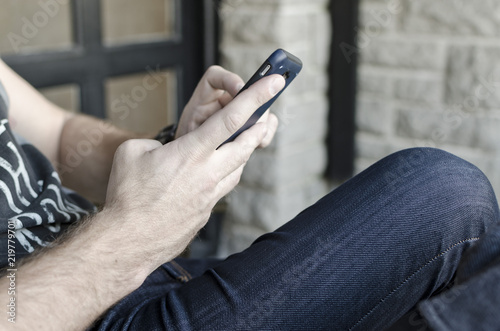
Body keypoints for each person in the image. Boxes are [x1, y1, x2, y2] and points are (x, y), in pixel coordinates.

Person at [0, 57, 498, 331]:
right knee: (443, 188)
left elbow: (61, 131)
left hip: (139, 273)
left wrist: (171, 151)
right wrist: (130, 233)